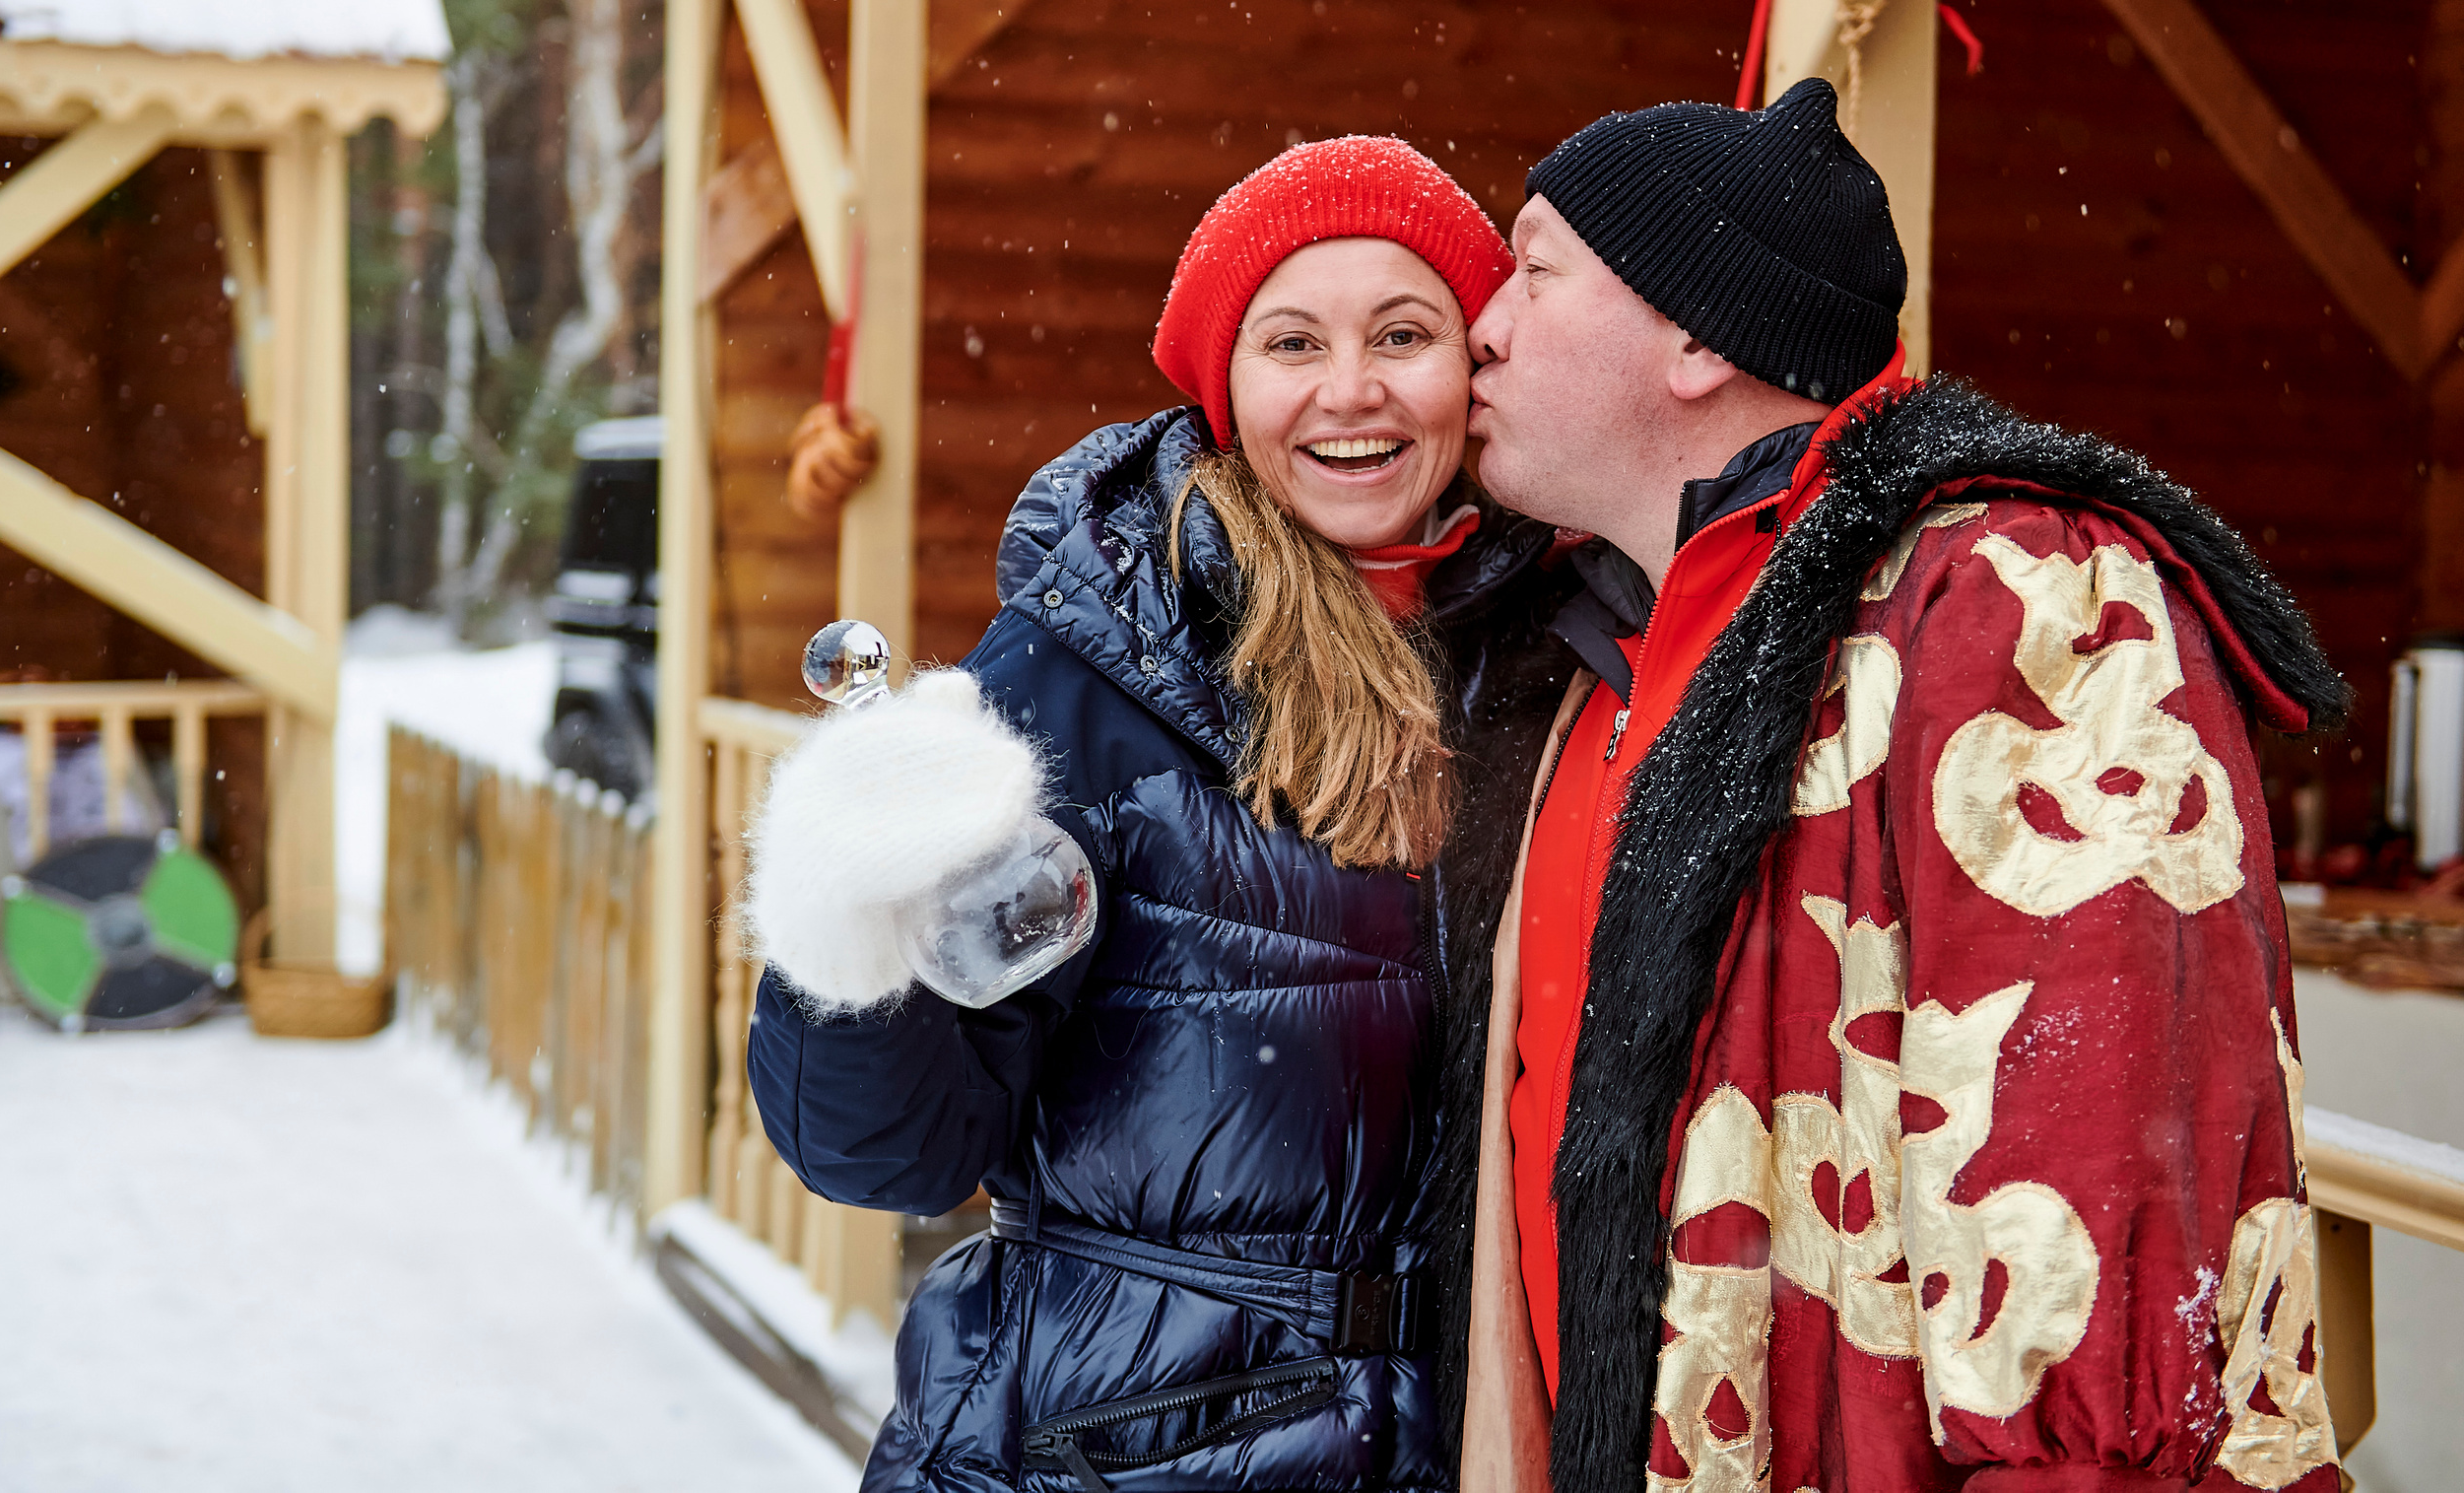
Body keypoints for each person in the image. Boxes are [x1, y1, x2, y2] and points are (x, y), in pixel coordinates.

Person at [1439, 80, 2350, 1493]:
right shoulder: (1590, 662)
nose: (1479, 326)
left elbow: (2098, 1229)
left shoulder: (2022, 602)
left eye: (1534, 271)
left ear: (1693, 332)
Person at [742, 136, 1574, 1493]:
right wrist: (852, 938)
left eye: (1405, 334)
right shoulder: (1102, 674)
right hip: (1117, 1445)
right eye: (1293, 343)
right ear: (1223, 385)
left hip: (1457, 1440)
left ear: (1471, 369)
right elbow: (890, 1150)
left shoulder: (1547, 659)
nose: (1351, 391)